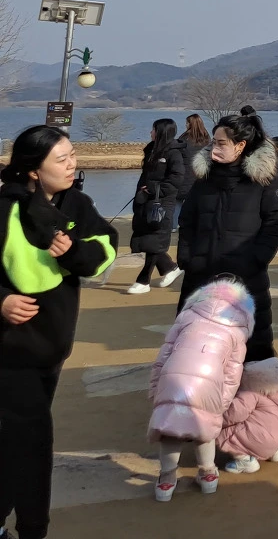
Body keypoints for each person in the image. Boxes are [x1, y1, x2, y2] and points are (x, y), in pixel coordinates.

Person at [0, 126, 117, 539]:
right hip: (10, 350)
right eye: (61, 159)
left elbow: (105, 250)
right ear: (33, 170)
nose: (72, 165)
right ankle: (33, 529)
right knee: (32, 441)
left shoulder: (77, 204)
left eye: (73, 155)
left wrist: (74, 252)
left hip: (52, 347)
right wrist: (1, 302)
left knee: (15, 439)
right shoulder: (4, 208)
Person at [178, 109, 278, 363]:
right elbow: (187, 220)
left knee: (252, 346)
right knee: (195, 345)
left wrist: (257, 258)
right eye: (213, 142)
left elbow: (275, 222)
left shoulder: (263, 181)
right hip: (201, 273)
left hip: (246, 275)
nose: (214, 149)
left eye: (221, 143)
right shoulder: (204, 178)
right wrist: (187, 257)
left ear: (240, 146)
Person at [148, 276, 254, 501]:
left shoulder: (188, 315)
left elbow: (164, 353)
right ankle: (208, 475)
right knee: (205, 426)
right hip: (209, 381)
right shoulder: (238, 328)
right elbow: (232, 373)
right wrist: (221, 403)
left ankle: (166, 481)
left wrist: (155, 387)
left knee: (170, 429)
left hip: (173, 376)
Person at [217, 356, 278, 475]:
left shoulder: (252, 391)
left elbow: (233, 414)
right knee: (269, 421)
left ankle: (245, 461)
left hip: (261, 440)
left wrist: (217, 420)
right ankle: (274, 452)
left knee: (219, 433)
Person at [129, 117, 185, 295]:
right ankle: (170, 267)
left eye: (153, 129)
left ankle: (143, 280)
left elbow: (176, 179)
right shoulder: (152, 150)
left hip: (162, 203)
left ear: (161, 132)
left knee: (154, 240)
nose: (150, 132)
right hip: (145, 200)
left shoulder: (174, 153)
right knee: (146, 239)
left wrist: (155, 189)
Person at [175, 114, 209, 221]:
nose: (185, 125)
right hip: (200, 177)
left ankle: (174, 225)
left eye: (187, 123)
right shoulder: (206, 140)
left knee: (177, 202)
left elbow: (177, 158)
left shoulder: (183, 139)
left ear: (190, 124)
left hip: (184, 176)